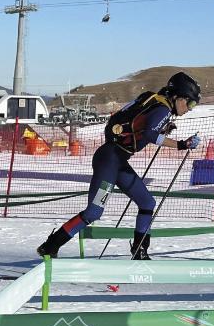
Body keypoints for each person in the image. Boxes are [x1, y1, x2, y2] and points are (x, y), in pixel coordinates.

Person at [37, 72, 202, 260]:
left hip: (117, 161)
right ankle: (50, 246)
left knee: (147, 203)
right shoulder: (163, 109)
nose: (190, 108)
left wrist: (163, 129)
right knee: (94, 212)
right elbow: (149, 135)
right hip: (109, 161)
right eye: (190, 103)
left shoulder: (153, 100)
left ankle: (140, 251)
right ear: (177, 97)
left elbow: (139, 125)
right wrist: (181, 144)